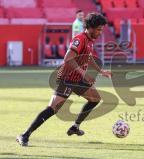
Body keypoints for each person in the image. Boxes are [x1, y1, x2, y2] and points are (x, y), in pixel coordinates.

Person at [16, 12, 112, 146]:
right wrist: (84, 74)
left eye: (101, 30)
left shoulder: (90, 41)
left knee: (95, 98)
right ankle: (24, 135)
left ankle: (75, 127)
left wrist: (100, 71)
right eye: (98, 29)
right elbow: (68, 58)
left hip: (78, 78)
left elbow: (87, 57)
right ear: (90, 27)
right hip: (67, 78)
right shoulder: (80, 39)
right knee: (52, 109)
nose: (100, 32)